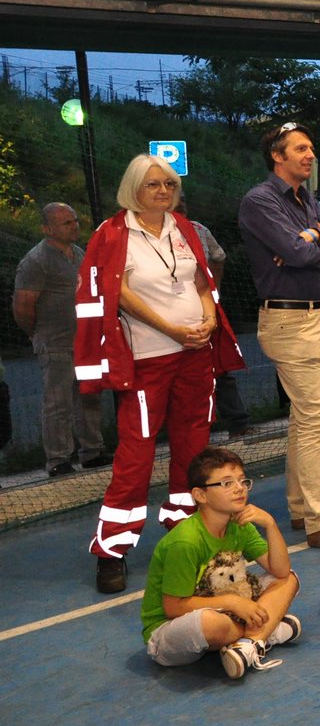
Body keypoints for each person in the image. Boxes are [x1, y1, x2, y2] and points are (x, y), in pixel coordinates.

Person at [76, 155, 245, 593]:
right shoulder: (112, 233)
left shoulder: (184, 228)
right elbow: (120, 294)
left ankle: (186, 535)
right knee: (136, 453)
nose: (163, 192)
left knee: (195, 447)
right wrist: (172, 329)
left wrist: (207, 321)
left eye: (168, 184)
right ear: (134, 188)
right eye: (153, 185)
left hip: (194, 356)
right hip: (148, 359)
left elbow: (202, 282)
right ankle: (111, 549)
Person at [237, 123, 320, 552]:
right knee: (317, 420)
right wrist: (317, 239)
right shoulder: (260, 201)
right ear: (277, 156)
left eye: (311, 148)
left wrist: (317, 235)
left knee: (305, 420)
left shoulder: (307, 199)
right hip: (290, 321)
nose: (310, 155)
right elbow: (294, 253)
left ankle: (302, 506)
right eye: (300, 149)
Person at [139, 446, 301, 679]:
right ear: (201, 495)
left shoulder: (240, 524)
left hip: (225, 612)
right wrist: (233, 603)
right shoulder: (185, 542)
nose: (239, 489)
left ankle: (249, 644)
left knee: (288, 580)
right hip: (169, 631)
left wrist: (271, 525)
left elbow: (281, 570)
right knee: (211, 623)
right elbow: (173, 607)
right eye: (226, 483)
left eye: (243, 481)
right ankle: (267, 633)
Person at [14, 202, 109, 477]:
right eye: (66, 222)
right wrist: (38, 334)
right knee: (58, 401)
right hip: (55, 340)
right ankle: (57, 459)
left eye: (75, 220)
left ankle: (92, 451)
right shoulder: (36, 261)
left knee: (89, 394)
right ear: (47, 229)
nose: (74, 225)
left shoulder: (78, 253)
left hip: (84, 340)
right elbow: (22, 306)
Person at [178, 204, 253, 441]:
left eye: (182, 204)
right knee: (188, 375)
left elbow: (219, 257)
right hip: (176, 319)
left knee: (218, 368)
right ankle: (194, 430)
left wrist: (213, 291)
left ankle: (235, 422)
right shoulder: (151, 236)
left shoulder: (197, 229)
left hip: (204, 312)